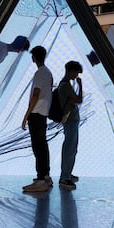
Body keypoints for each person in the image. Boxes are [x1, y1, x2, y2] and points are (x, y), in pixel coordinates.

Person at [21, 45, 53, 193]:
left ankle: (41, 180)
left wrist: (26, 115)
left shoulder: (40, 73)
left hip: (36, 113)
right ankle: (45, 176)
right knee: (42, 146)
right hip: (43, 113)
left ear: (34, 57)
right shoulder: (48, 73)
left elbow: (36, 94)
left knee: (38, 146)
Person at [57, 60, 83, 190]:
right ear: (71, 71)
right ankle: (65, 177)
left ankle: (67, 173)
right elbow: (79, 100)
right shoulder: (66, 86)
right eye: (76, 72)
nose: (76, 75)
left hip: (70, 120)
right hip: (71, 120)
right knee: (70, 149)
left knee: (71, 148)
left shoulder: (64, 84)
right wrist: (80, 85)